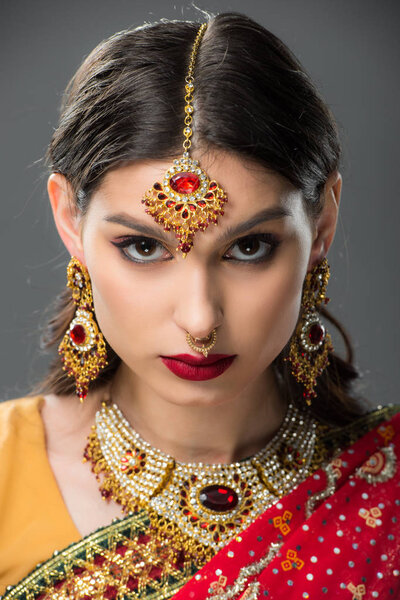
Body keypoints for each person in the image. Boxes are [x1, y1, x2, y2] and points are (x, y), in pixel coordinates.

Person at [0, 11, 399, 600]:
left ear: (322, 222)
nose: (200, 319)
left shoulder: (384, 491)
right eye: (141, 246)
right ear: (69, 219)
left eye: (249, 247)